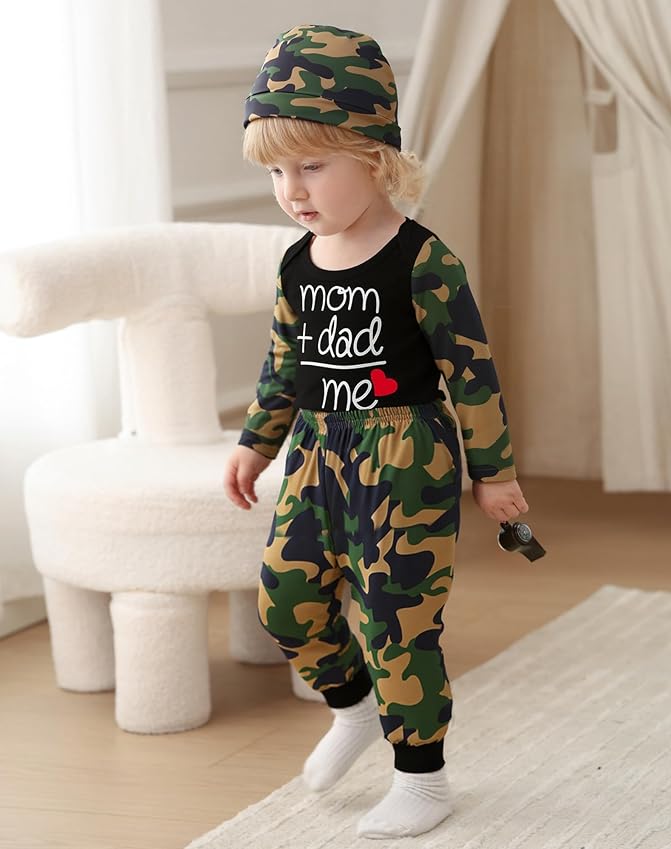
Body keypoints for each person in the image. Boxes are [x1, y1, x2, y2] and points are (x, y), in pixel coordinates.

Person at [224, 23, 530, 840]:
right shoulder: (297, 262)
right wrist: (256, 441)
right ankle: (352, 708)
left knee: (400, 623)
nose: (293, 190)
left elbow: (471, 372)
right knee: (286, 601)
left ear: (374, 156)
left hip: (404, 460)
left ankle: (422, 780)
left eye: (312, 166)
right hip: (316, 454)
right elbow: (283, 363)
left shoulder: (423, 261)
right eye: (277, 171)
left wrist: (494, 472)